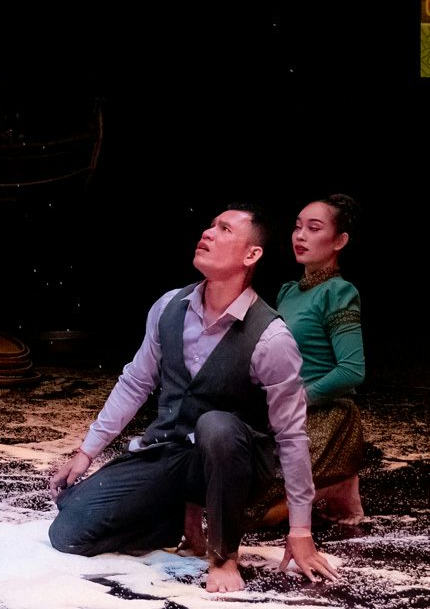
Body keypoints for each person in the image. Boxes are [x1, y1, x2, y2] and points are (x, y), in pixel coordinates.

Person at [47, 206, 339, 594]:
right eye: (210, 225)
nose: (208, 232)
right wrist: (87, 451)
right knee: (69, 529)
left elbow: (291, 436)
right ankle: (174, 515)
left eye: (224, 229)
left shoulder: (271, 338)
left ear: (251, 255)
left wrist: (300, 530)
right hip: (172, 453)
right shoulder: (170, 306)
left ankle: (224, 553)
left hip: (235, 463)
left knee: (216, 425)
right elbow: (136, 382)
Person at [275, 195, 368, 523]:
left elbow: (352, 370)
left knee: (260, 512)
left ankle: (340, 480)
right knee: (228, 497)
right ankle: (336, 486)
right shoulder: (289, 292)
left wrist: (300, 398)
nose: (300, 236)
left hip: (326, 417)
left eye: (313, 228)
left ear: (340, 240)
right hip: (283, 418)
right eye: (297, 227)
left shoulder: (339, 292)